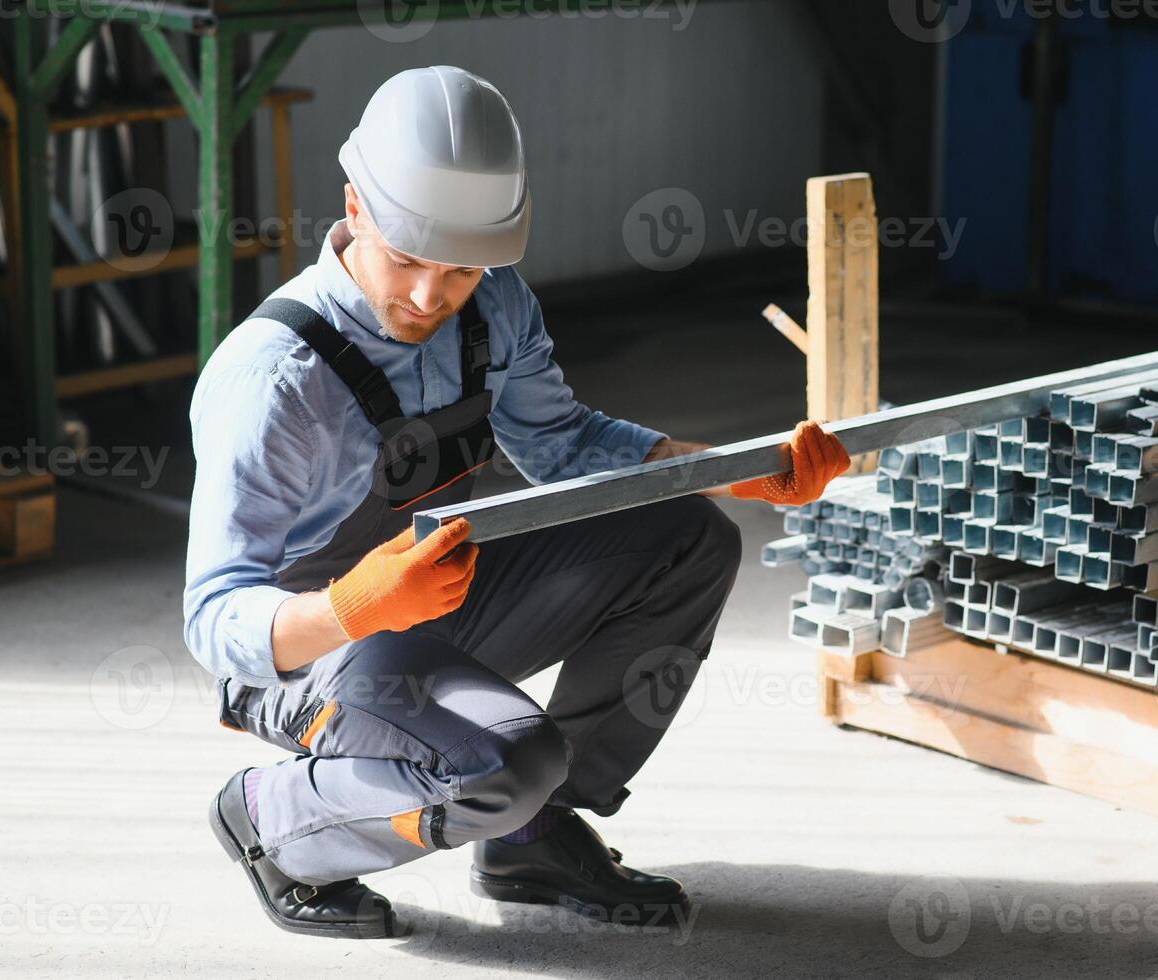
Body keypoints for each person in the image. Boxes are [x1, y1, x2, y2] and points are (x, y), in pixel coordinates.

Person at [183, 65, 850, 939]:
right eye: (408, 258)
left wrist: (729, 467)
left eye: (459, 268)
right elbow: (213, 620)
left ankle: (530, 836)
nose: (430, 297)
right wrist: (353, 604)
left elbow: (566, 445)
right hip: (307, 653)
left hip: (430, 595)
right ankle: (274, 822)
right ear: (353, 205)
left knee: (689, 536)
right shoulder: (272, 379)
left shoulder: (492, 305)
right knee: (506, 759)